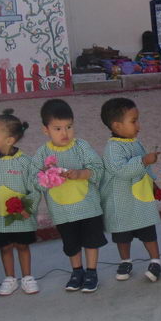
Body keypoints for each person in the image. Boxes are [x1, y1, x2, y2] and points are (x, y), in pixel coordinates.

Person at [32, 98, 106, 293]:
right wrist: (45, 176)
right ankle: (77, 271)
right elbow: (34, 180)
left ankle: (91, 272)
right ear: (45, 130)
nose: (64, 133)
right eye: (57, 128)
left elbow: (98, 168)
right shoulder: (42, 153)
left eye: (69, 127)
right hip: (62, 209)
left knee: (91, 241)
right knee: (71, 243)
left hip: (87, 206)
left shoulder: (81, 146)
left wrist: (80, 174)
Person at [100, 98, 161, 282]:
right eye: (134, 121)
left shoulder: (135, 142)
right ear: (117, 126)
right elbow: (120, 170)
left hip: (140, 200)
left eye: (137, 120)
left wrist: (153, 183)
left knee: (148, 231)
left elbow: (145, 171)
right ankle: (125, 261)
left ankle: (156, 260)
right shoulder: (112, 148)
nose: (138, 126)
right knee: (122, 234)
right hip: (121, 202)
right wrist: (143, 161)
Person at [0, 109, 39, 296]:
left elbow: (34, 189)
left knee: (22, 246)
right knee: (5, 247)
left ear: (9, 140)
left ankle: (27, 277)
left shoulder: (25, 162)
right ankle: (10, 278)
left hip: (21, 215)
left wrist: (28, 207)